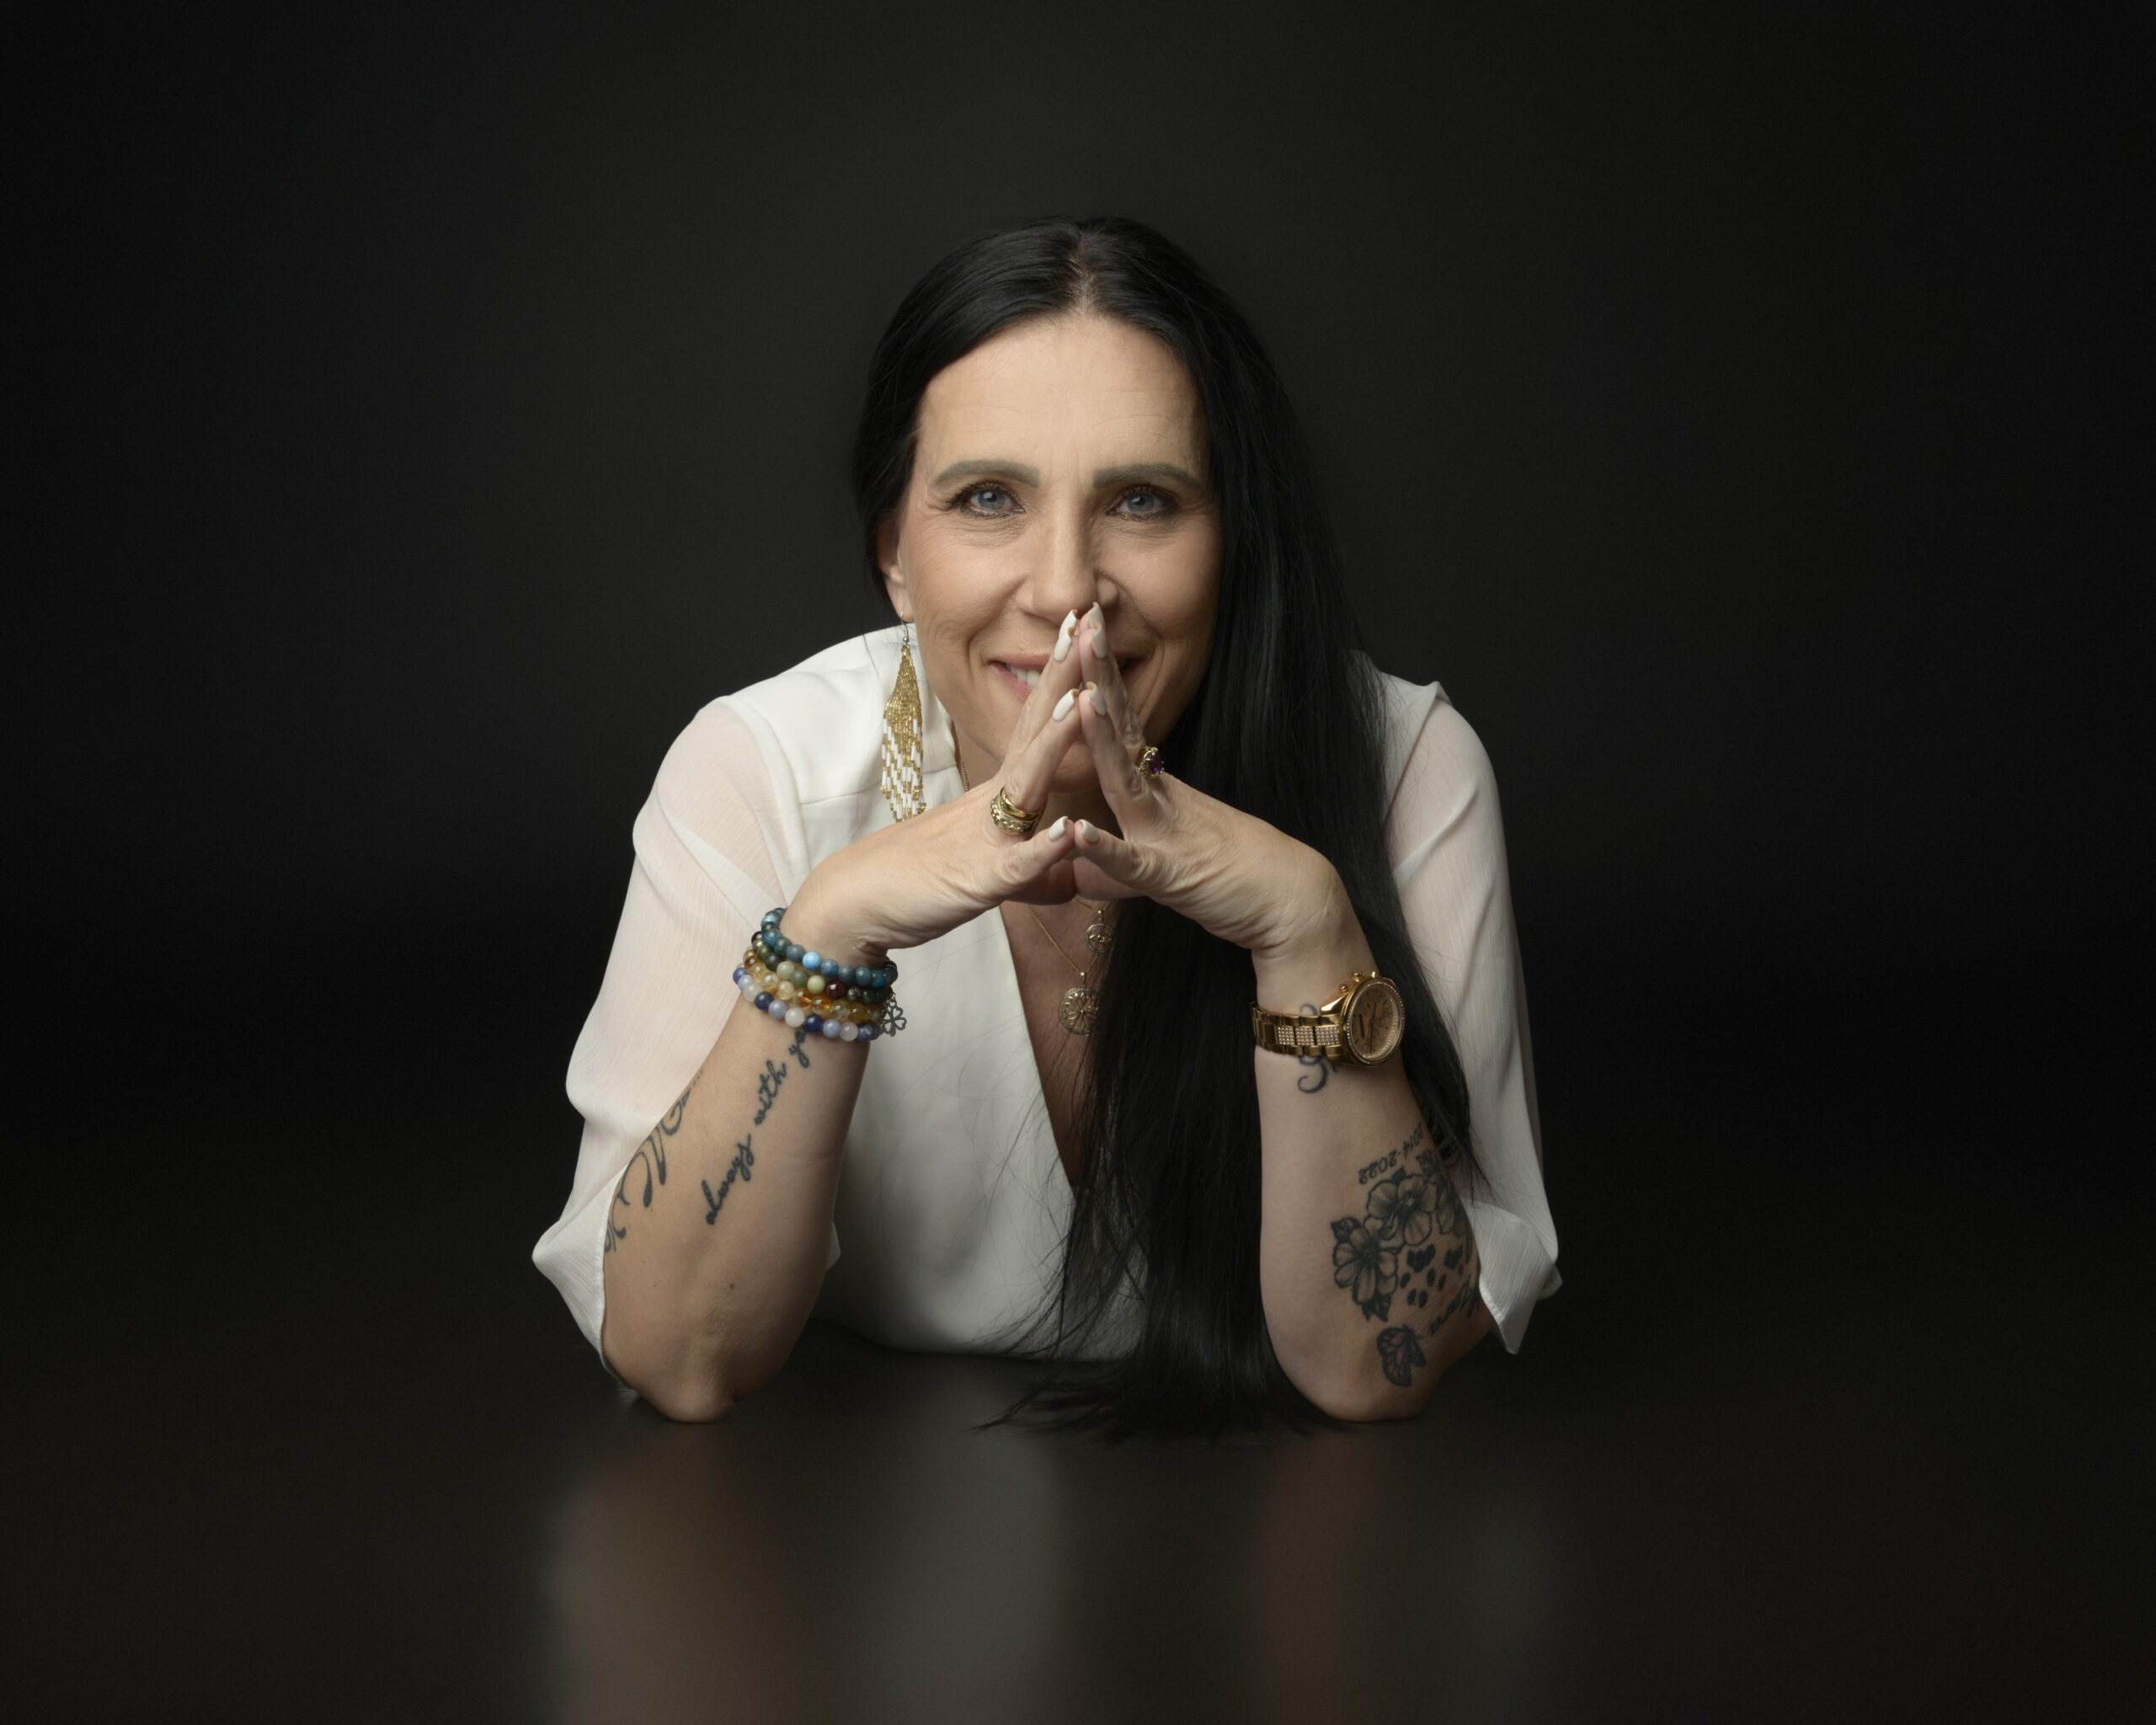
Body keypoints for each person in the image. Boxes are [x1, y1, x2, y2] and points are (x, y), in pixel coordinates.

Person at [534, 216, 1558, 1434]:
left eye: (1142, 499)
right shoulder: (755, 772)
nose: (1069, 586)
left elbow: (1371, 1365)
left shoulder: (1406, 770)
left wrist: (1307, 931)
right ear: (895, 558)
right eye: (986, 499)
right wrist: (828, 929)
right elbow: (679, 1355)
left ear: (1233, 542)